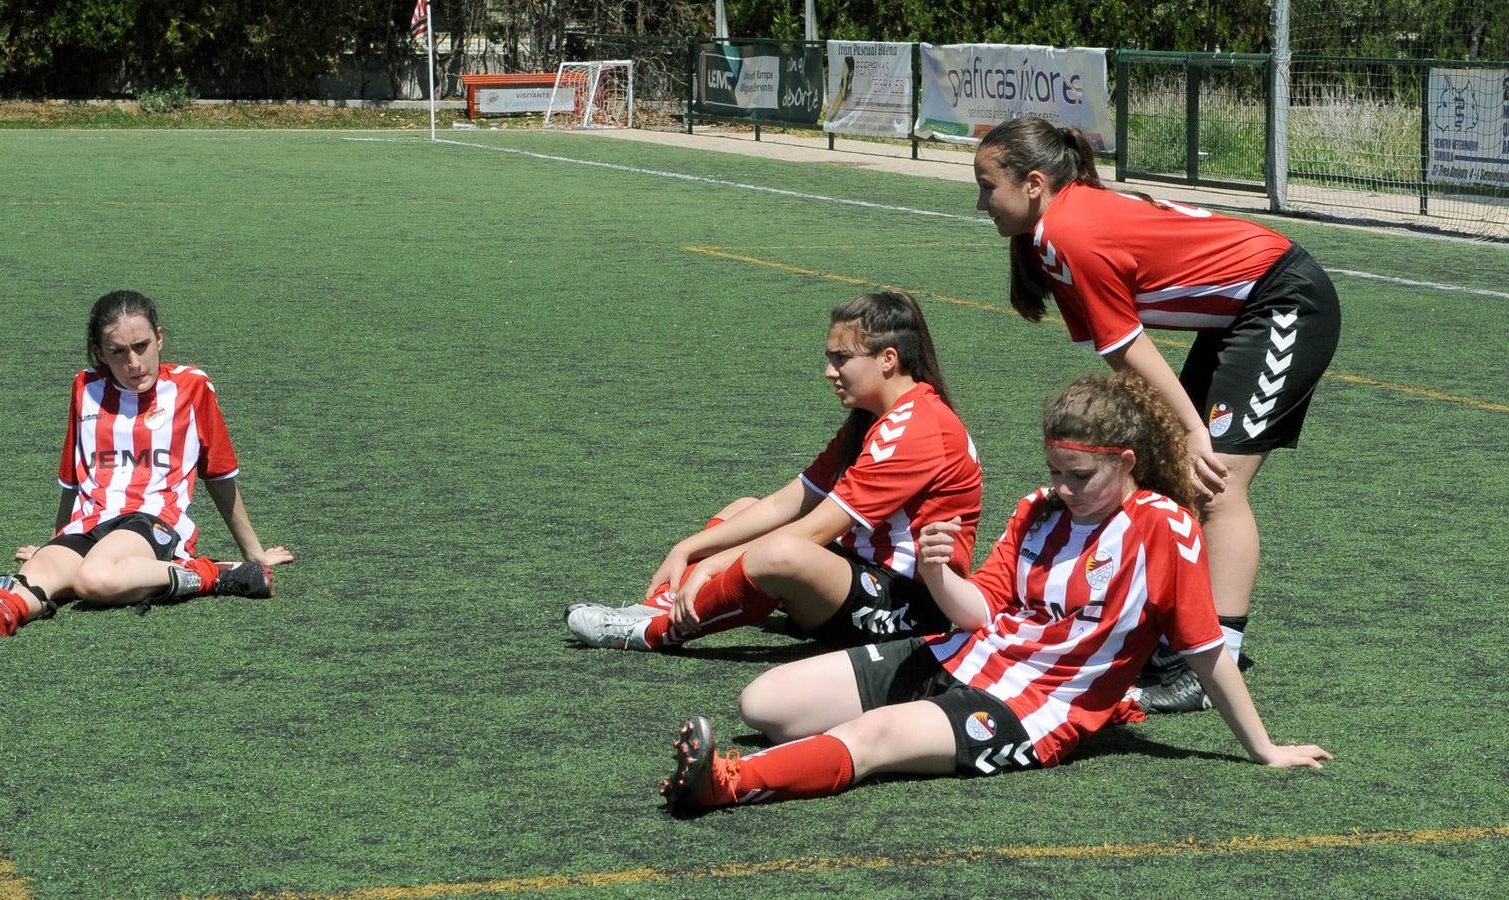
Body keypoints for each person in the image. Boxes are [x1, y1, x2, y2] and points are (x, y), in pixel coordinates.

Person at [659, 372, 1331, 815]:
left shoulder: (1166, 529)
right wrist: (935, 574)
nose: (1060, 488)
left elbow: (1207, 651)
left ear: (1126, 462)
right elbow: (979, 611)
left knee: (876, 736)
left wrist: (1266, 749)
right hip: (967, 654)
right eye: (1054, 471)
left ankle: (729, 783)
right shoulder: (1038, 508)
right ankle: (811, 751)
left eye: (1078, 476)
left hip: (1038, 707)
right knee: (766, 701)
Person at [970, 116, 1341, 712]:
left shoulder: (1066, 233)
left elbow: (1127, 347)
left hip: (1282, 302)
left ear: (1034, 183)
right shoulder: (1056, 228)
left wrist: (1192, 430)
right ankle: (1174, 637)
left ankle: (1212, 663)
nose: (981, 201)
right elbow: (1124, 357)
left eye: (989, 186)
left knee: (1215, 484)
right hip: (1239, 316)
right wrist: (1176, 433)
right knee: (1178, 476)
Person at [565, 290, 983, 652]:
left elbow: (816, 530)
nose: (829, 371)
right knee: (744, 509)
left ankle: (653, 631)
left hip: (907, 608)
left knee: (777, 551)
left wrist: (714, 565)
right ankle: (662, 602)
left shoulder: (919, 427)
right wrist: (689, 547)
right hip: (855, 575)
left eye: (842, 359)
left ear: (888, 359)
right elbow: (794, 498)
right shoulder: (880, 416)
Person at [0, 289, 294, 636]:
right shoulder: (85, 388)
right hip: (89, 522)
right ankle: (2, 611)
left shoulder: (191, 386)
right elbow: (73, 478)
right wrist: (56, 540)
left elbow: (219, 473)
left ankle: (215, 572)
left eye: (142, 346)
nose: (134, 363)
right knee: (36, 577)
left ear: (159, 338)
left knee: (93, 581)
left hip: (151, 520)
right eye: (118, 352)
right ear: (100, 352)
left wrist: (255, 554)